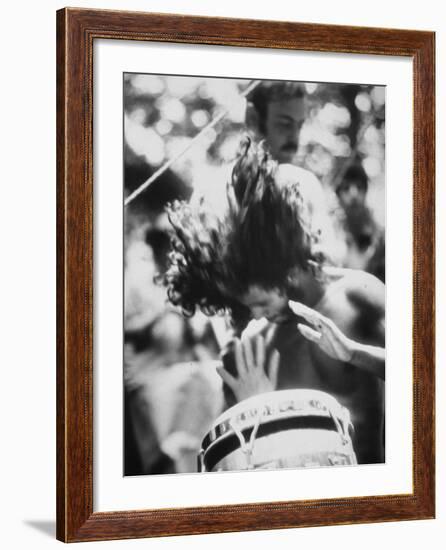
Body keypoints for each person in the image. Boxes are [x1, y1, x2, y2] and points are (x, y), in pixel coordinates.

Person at [164, 139, 385, 465]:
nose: (255, 315)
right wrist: (256, 410)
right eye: (246, 306)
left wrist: (354, 354)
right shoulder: (255, 347)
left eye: (262, 302)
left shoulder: (356, 294)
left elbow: (429, 371)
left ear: (284, 268)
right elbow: (246, 465)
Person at [335, 163, 385, 282]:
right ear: (338, 195)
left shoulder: (380, 232)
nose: (354, 194)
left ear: (366, 191)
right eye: (346, 188)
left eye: (359, 187)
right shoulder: (331, 231)